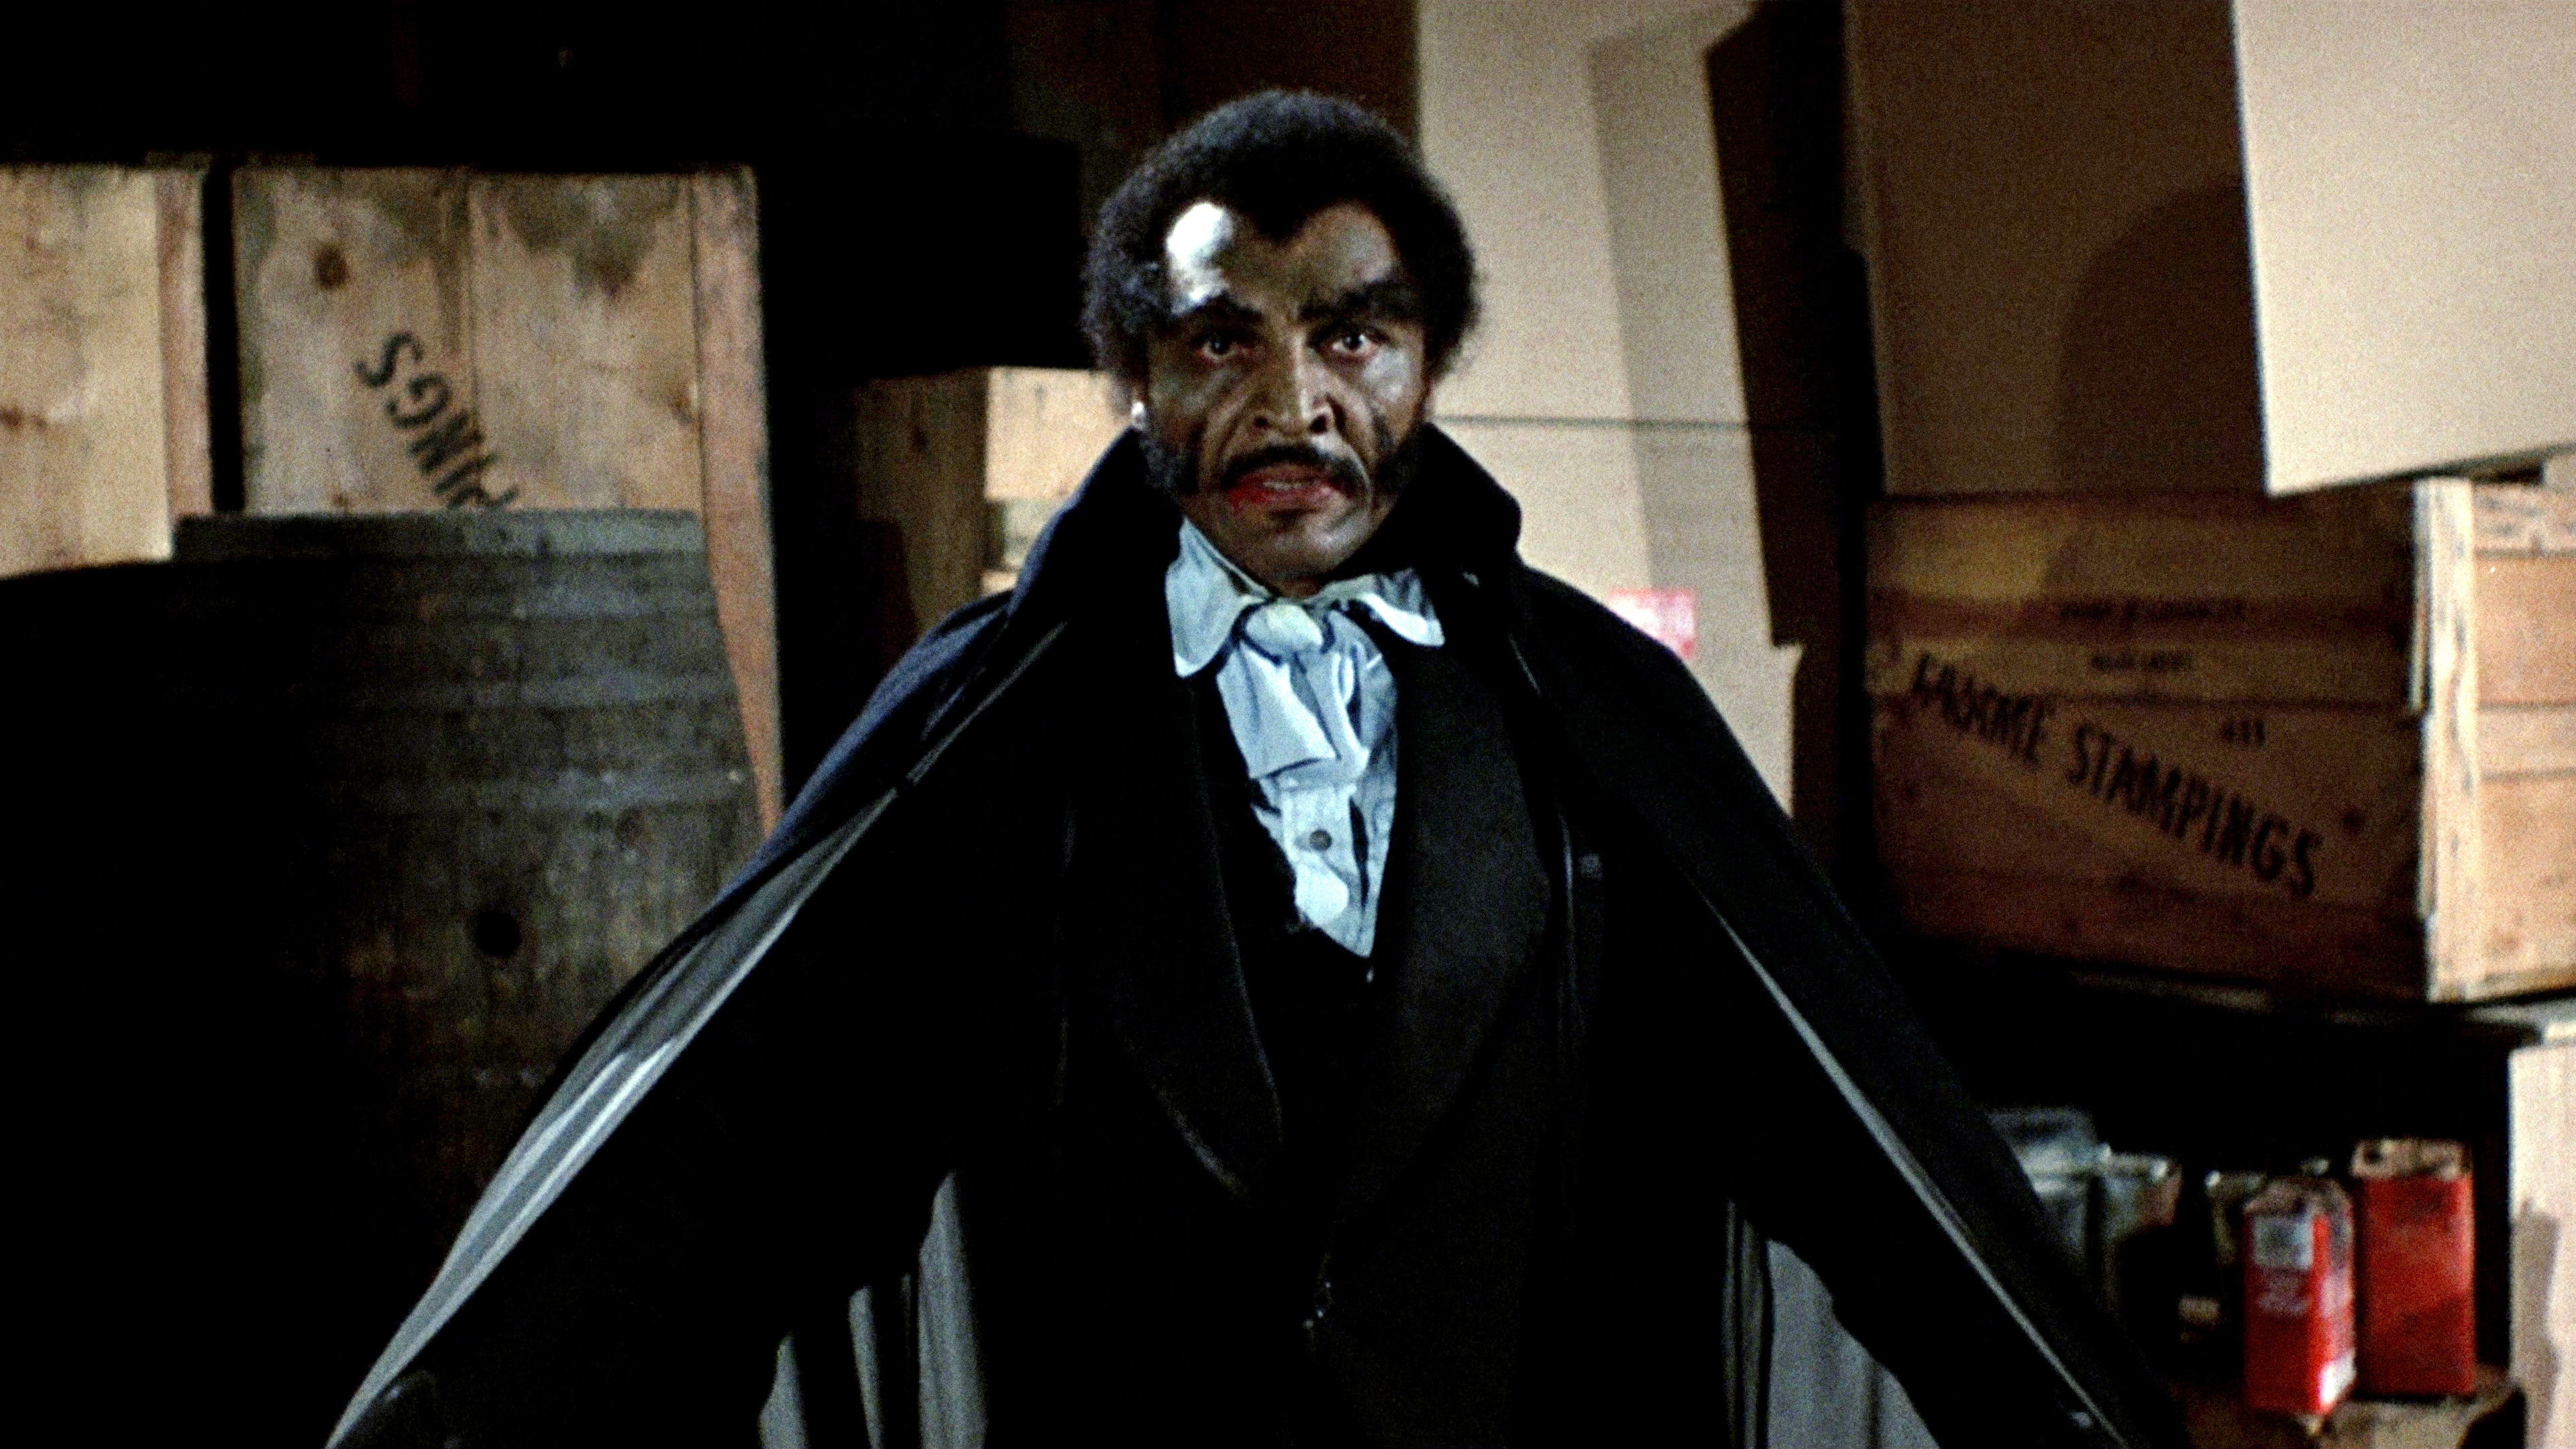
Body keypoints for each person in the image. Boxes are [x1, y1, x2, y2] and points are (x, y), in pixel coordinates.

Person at [334, 92, 2182, 1449]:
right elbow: (735, 1162)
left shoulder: (1592, 720)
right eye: (1225, 337)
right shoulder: (998, 733)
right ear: (1137, 378)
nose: (1294, 402)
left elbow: (1854, 1155)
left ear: (1428, 369)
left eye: (1352, 334)